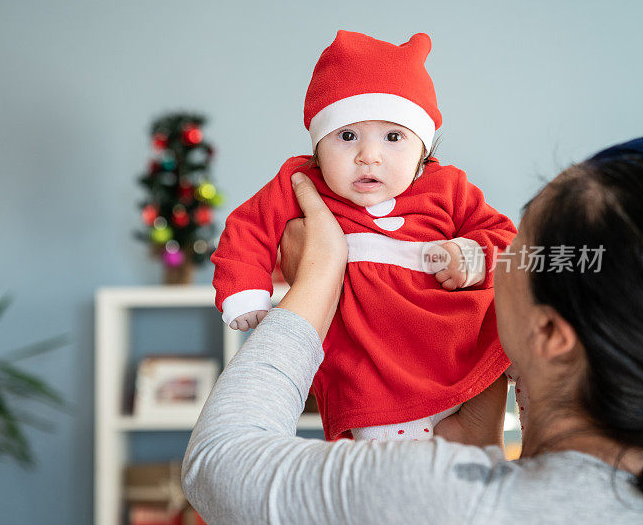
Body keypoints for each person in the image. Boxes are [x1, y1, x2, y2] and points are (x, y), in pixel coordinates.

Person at [182, 138, 643, 523]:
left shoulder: (452, 496)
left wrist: (320, 275)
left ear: (548, 333)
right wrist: (482, 449)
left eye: (518, 253)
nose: (500, 263)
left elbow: (219, 465)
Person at [211, 30, 518, 443]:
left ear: (422, 150)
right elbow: (247, 229)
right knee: (384, 480)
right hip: (367, 373)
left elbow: (504, 237)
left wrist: (471, 254)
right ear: (317, 148)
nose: (368, 156)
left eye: (393, 137)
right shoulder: (300, 182)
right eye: (347, 136)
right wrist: (246, 293)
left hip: (453, 348)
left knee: (471, 465)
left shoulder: (448, 187)